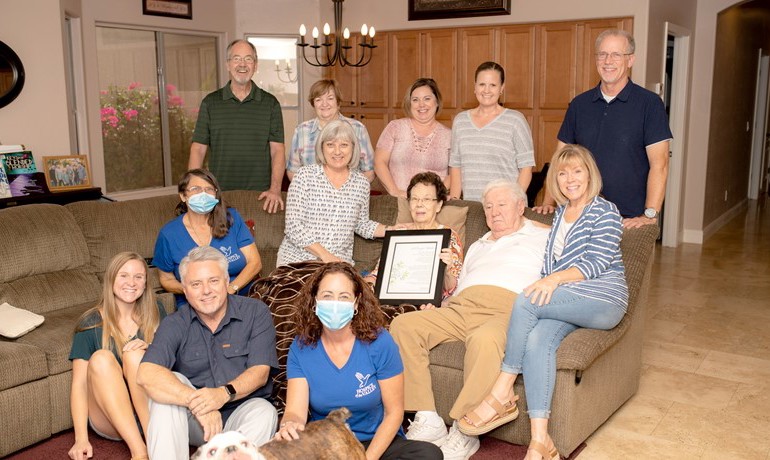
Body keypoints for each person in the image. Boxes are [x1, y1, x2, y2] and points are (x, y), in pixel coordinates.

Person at [458, 145, 628, 460]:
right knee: (537, 340)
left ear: (590, 174)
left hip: (603, 297)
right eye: (562, 173)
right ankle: (540, 442)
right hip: (571, 301)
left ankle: (502, 390)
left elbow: (597, 261)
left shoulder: (604, 210)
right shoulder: (561, 213)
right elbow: (547, 260)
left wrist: (552, 280)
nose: (570, 179)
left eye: (577, 171)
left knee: (527, 300)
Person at [389, 179, 550, 460]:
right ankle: (428, 419)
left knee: (485, 339)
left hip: (507, 308)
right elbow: (460, 284)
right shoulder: (478, 244)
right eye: (488, 206)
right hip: (461, 306)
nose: (494, 212)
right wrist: (441, 305)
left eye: (502, 205)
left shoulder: (542, 235)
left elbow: (578, 236)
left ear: (521, 207)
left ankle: (465, 430)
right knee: (404, 325)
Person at [274, 262, 443, 460]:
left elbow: (394, 413)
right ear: (315, 301)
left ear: (356, 303)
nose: (335, 303)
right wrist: (290, 425)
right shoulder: (301, 346)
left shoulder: (380, 342)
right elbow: (295, 411)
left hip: (376, 442)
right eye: (327, 296)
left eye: (343, 296)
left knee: (429, 454)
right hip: (327, 445)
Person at [137, 246, 279, 460]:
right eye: (196, 284)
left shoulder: (255, 312)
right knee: (169, 382)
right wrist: (200, 404)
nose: (206, 291)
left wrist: (221, 394)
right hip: (195, 420)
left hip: (240, 413)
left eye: (213, 281)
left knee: (265, 412)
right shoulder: (175, 322)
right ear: (185, 289)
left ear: (226, 281)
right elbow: (146, 373)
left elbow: (260, 372)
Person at [536, 29, 672, 229]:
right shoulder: (579, 105)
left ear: (630, 60)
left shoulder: (650, 104)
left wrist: (649, 214)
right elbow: (559, 159)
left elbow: (660, 165)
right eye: (602, 54)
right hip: (578, 215)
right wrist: (548, 202)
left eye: (616, 54)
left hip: (627, 219)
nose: (608, 61)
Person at [68, 252, 165, 460]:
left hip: (151, 411)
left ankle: (156, 444)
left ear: (146, 283)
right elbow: (79, 386)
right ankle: (139, 452)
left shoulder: (156, 311)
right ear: (111, 279)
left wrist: (150, 347)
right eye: (124, 275)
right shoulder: (90, 323)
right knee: (101, 358)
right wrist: (81, 439)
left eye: (139, 277)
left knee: (137, 353)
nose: (131, 282)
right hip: (110, 417)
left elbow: (173, 362)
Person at [277, 119, 396, 266]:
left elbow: (360, 224)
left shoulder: (361, 183)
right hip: (298, 261)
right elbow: (293, 226)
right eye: (330, 145)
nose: (337, 151)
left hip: (337, 265)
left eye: (344, 145)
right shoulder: (304, 176)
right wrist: (326, 256)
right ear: (322, 148)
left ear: (353, 148)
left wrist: (392, 230)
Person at [189, 39, 285, 213]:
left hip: (261, 196)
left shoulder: (271, 104)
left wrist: (275, 189)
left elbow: (277, 150)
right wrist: (194, 190)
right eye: (236, 58)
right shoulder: (210, 103)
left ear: (255, 65)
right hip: (219, 196)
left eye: (248, 59)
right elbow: (198, 149)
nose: (243, 64)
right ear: (228, 64)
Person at [153, 168, 261, 306]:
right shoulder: (168, 234)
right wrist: (194, 291)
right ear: (183, 195)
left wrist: (230, 289)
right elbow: (166, 279)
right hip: (195, 303)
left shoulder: (231, 219)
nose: (203, 194)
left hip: (240, 296)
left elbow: (255, 262)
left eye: (209, 189)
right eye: (196, 189)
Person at [365, 171, 463, 304]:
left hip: (429, 305)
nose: (419, 204)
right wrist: (364, 287)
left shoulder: (449, 236)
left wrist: (448, 268)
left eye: (427, 199)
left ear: (439, 205)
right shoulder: (399, 233)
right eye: (414, 199)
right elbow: (379, 274)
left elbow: (451, 288)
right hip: (393, 301)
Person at [448, 62, 535, 202]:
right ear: (474, 87)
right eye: (482, 84)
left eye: (493, 85)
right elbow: (456, 166)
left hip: (507, 208)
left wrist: (512, 202)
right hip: (471, 208)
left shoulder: (515, 120)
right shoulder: (460, 121)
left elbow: (526, 168)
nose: (486, 90)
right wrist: (454, 201)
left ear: (502, 88)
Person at [374, 78, 452, 197]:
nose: (421, 104)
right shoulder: (395, 127)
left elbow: (454, 174)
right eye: (415, 100)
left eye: (427, 99)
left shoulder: (449, 135)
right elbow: (379, 162)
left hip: (433, 204)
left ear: (437, 102)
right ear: (409, 103)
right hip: (397, 201)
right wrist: (395, 191)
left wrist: (436, 196)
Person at [287, 79, 375, 182]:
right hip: (312, 196)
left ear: (338, 102)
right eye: (318, 99)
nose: (324, 104)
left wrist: (349, 192)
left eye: (330, 98)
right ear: (313, 104)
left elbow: (369, 171)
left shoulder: (357, 129)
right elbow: (293, 171)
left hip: (349, 195)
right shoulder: (301, 131)